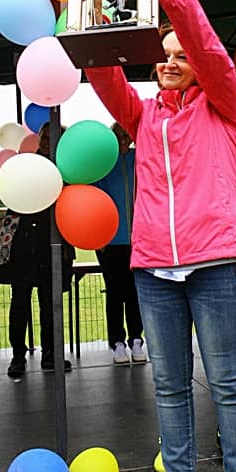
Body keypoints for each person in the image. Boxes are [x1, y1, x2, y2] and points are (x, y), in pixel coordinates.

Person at [85, 0, 236, 472]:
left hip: (218, 259)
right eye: (164, 56)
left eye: (181, 57)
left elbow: (208, 49)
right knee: (168, 383)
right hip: (155, 265)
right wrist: (92, 17)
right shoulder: (144, 118)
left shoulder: (224, 104)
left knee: (228, 381)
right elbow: (105, 76)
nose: (172, 63)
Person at [0, 122, 75, 378]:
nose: (47, 140)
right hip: (23, 244)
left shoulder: (70, 169)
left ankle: (51, 354)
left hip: (55, 245)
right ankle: (17, 356)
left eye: (53, 136)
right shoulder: (27, 164)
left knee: (51, 304)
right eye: (44, 135)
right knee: (20, 303)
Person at [94, 122, 145, 366]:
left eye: (126, 135)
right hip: (110, 242)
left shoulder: (139, 158)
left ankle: (136, 339)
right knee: (114, 293)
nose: (123, 139)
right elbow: (95, 199)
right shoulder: (103, 163)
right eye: (118, 135)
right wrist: (98, 236)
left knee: (136, 292)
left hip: (139, 241)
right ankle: (117, 343)